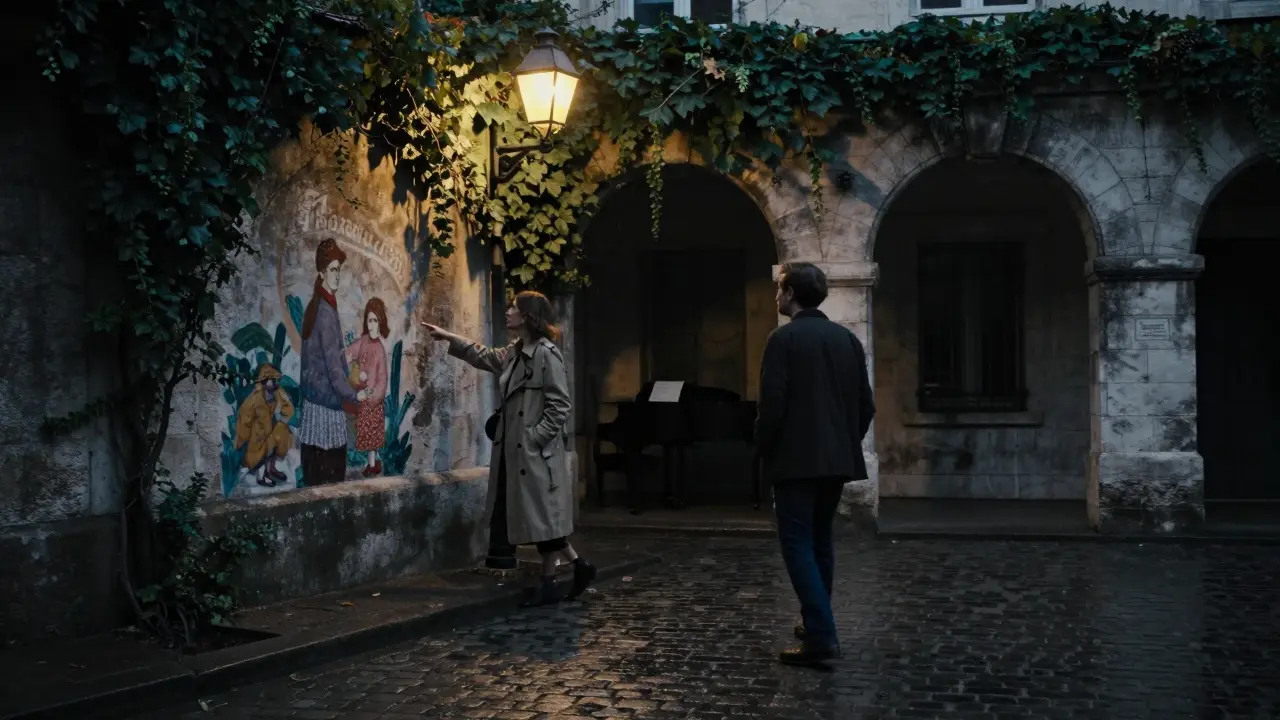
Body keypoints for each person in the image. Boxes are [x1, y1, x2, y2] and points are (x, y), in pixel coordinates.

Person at [423, 290, 596, 606]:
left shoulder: (546, 354)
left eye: (514, 308)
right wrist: (449, 337)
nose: (508, 311)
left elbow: (560, 404)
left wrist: (534, 439)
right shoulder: (516, 351)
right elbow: (484, 355)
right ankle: (554, 578)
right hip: (515, 452)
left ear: (528, 315)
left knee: (541, 517)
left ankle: (574, 568)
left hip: (535, 454)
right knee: (540, 517)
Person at [755, 262, 875, 668]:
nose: (777, 296)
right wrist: (844, 443)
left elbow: (772, 406)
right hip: (836, 460)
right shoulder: (847, 340)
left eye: (779, 290)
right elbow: (866, 405)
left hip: (794, 461)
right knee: (820, 541)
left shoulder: (783, 340)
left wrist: (763, 449)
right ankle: (815, 621)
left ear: (789, 294)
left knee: (798, 544)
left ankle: (821, 635)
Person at [298, 238, 368, 486]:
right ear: (322, 272)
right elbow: (332, 365)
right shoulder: (325, 313)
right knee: (330, 481)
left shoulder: (319, 306)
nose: (337, 276)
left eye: (339, 269)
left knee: (316, 479)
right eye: (333, 270)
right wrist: (352, 394)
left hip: (315, 403)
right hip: (325, 407)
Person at [346, 297, 390, 477]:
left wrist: (374, 396)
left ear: (380, 322)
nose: (371, 324)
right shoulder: (362, 341)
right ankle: (371, 463)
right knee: (364, 433)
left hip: (373, 401)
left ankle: (373, 464)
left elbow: (382, 378)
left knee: (373, 435)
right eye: (368, 320)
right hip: (362, 397)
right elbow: (349, 354)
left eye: (374, 320)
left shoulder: (380, 349)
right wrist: (351, 364)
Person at [234, 363, 295, 488]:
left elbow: (289, 407)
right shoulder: (255, 398)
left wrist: (282, 418)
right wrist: (242, 439)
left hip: (273, 430)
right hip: (258, 434)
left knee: (276, 443)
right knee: (263, 452)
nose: (275, 382)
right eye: (273, 380)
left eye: (275, 380)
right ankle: (263, 476)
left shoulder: (278, 392)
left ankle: (270, 470)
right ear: (265, 381)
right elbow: (244, 417)